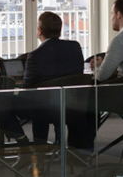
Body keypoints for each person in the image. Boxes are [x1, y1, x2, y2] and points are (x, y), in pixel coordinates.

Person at [18, 12, 84, 147]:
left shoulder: (35, 56)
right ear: (59, 30)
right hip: (73, 105)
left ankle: (35, 152)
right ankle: (71, 151)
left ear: (40, 31)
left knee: (35, 103)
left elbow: (26, 90)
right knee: (42, 102)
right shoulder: (74, 47)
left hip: (45, 109)